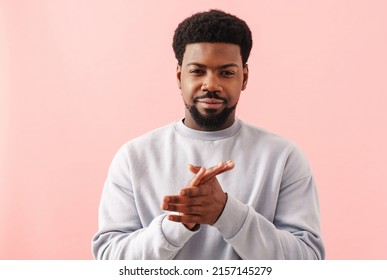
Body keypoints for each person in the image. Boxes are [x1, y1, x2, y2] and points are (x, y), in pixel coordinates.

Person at [92, 9, 325, 260]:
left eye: (226, 72)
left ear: (244, 77)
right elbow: (109, 260)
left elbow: (308, 260)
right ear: (179, 76)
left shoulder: (284, 157)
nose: (211, 85)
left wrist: (226, 213)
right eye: (197, 71)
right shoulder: (133, 157)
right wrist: (179, 222)